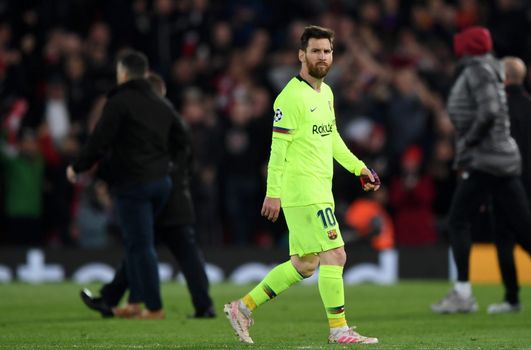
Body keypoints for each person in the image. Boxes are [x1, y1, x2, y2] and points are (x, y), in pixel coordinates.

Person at [223, 25, 379, 344]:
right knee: (336, 255)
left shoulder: (327, 93)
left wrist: (359, 167)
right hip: (303, 191)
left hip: (320, 189)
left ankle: (243, 307)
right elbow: (277, 150)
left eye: (327, 51)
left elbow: (332, 138)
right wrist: (273, 193)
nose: (322, 56)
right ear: (301, 55)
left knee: (306, 264)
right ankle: (339, 329)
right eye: (315, 51)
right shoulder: (290, 97)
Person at [430, 27, 531, 315]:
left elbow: (488, 111)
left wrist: (471, 141)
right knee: (525, 224)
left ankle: (464, 293)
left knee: (457, 221)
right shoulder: (494, 73)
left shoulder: (478, 70)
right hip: (503, 161)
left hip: (485, 160)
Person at [79, 73, 215, 319]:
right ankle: (204, 306)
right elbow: (189, 161)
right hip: (177, 199)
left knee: (140, 248)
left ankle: (131, 302)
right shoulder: (178, 125)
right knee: (179, 253)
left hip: (156, 197)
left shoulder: (153, 128)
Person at [67, 50, 187, 319]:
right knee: (137, 242)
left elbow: (99, 140)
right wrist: (170, 167)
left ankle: (154, 307)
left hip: (134, 183)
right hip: (161, 184)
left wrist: (77, 167)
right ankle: (127, 301)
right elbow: (183, 139)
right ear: (145, 74)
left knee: (141, 245)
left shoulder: (120, 101)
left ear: (122, 73)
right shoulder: (160, 103)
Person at [487, 57, 531, 313]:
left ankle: (512, 298)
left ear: (503, 77)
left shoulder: (497, 106)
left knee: (504, 240)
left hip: (505, 183)